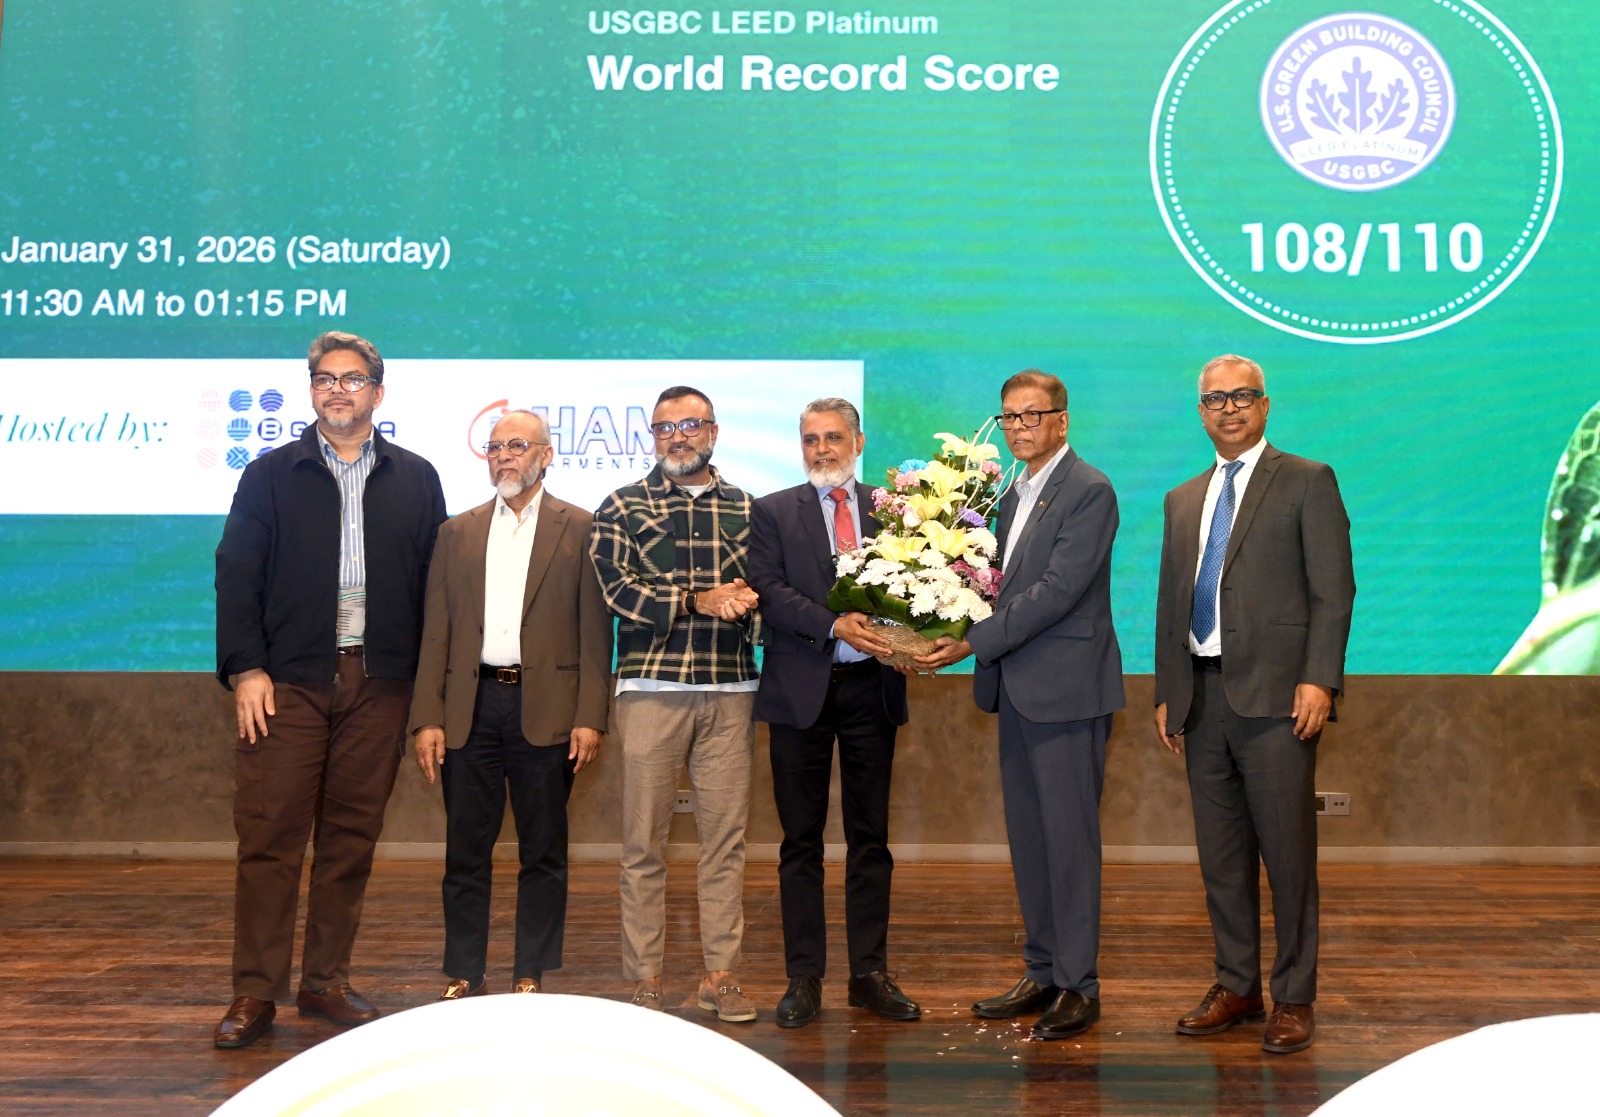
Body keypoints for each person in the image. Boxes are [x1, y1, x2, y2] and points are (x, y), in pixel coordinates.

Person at [212, 331, 447, 1049]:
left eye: (351, 379)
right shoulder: (269, 475)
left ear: (378, 391)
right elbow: (236, 574)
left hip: (380, 685)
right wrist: (247, 668)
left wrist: (428, 693)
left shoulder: (417, 477)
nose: (337, 390)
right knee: (270, 836)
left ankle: (325, 980)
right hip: (287, 683)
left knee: (350, 839)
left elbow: (436, 590)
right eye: (324, 379)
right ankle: (256, 989)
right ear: (311, 390)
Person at [1153, 354, 1355, 1054]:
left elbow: (1334, 590)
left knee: (1288, 858)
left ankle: (1294, 995)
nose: (1229, 408)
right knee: (1222, 857)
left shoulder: (1307, 480)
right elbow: (1171, 600)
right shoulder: (1183, 497)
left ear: (1265, 405)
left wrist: (1319, 679)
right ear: (1201, 412)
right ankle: (1237, 984)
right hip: (1201, 696)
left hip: (1278, 698)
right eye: (1216, 398)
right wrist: (1169, 690)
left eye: (1243, 396)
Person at [915, 369, 1124, 1041]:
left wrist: (971, 641)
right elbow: (993, 584)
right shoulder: (1011, 494)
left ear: (1062, 420)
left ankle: (1078, 985)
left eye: (1033, 415)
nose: (1019, 427)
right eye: (1010, 416)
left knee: (1069, 843)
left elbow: (1058, 590)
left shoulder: (1089, 489)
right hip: (1016, 688)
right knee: (1031, 842)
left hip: (1067, 692)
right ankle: (1042, 970)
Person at [409, 410, 612, 1000]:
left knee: (543, 850)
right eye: (494, 447)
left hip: (547, 710)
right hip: (469, 709)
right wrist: (426, 717)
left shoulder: (582, 527)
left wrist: (590, 716)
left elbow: (596, 633)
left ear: (545, 456)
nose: (503, 456)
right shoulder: (457, 532)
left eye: (517, 446)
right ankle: (464, 971)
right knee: (464, 850)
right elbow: (436, 633)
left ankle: (531, 971)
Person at [588, 386, 763, 1022]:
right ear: (652, 437)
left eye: (690, 425)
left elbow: (765, 590)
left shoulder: (750, 509)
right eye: (665, 428)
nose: (677, 437)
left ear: (713, 432)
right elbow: (616, 591)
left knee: (725, 842)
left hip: (731, 689)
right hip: (650, 689)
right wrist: (696, 600)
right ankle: (645, 978)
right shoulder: (620, 506)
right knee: (643, 843)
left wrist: (748, 603)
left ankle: (722, 975)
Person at [746, 397, 921, 1029]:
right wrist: (832, 623)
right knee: (801, 841)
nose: (822, 450)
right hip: (799, 694)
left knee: (870, 840)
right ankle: (804, 977)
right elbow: (769, 590)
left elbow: (921, 588)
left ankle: (869, 974)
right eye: (811, 439)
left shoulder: (895, 511)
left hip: (873, 690)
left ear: (859, 441)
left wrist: (914, 640)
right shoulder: (771, 511)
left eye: (834, 438)